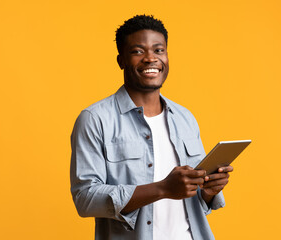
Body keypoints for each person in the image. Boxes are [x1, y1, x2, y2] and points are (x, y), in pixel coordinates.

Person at [70, 15, 233, 240]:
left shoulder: (185, 118)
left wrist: (208, 191)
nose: (150, 59)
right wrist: (162, 189)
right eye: (138, 51)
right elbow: (85, 198)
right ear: (121, 61)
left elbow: (192, 200)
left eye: (158, 50)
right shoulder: (95, 119)